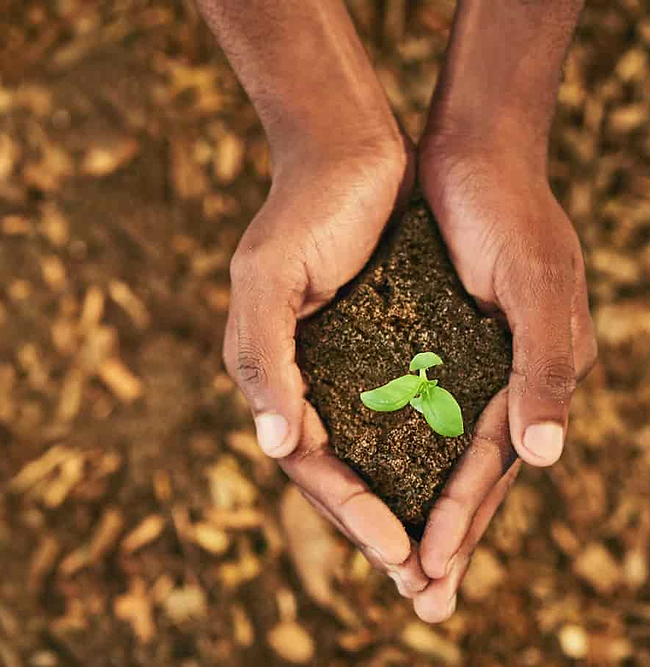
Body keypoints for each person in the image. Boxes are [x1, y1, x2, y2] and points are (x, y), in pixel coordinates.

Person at [197, 0, 598, 623]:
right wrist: (329, 139)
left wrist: (490, 137)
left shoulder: (420, 379)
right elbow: (398, 398)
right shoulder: (412, 380)